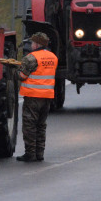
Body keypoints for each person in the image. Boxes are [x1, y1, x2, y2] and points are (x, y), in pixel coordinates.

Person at [16, 32, 58, 162]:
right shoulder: (53, 57)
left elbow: (22, 76)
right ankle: (40, 153)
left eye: (33, 42)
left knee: (29, 125)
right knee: (41, 125)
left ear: (37, 44)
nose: (31, 45)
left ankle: (30, 153)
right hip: (47, 97)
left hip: (33, 96)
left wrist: (14, 69)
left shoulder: (31, 58)